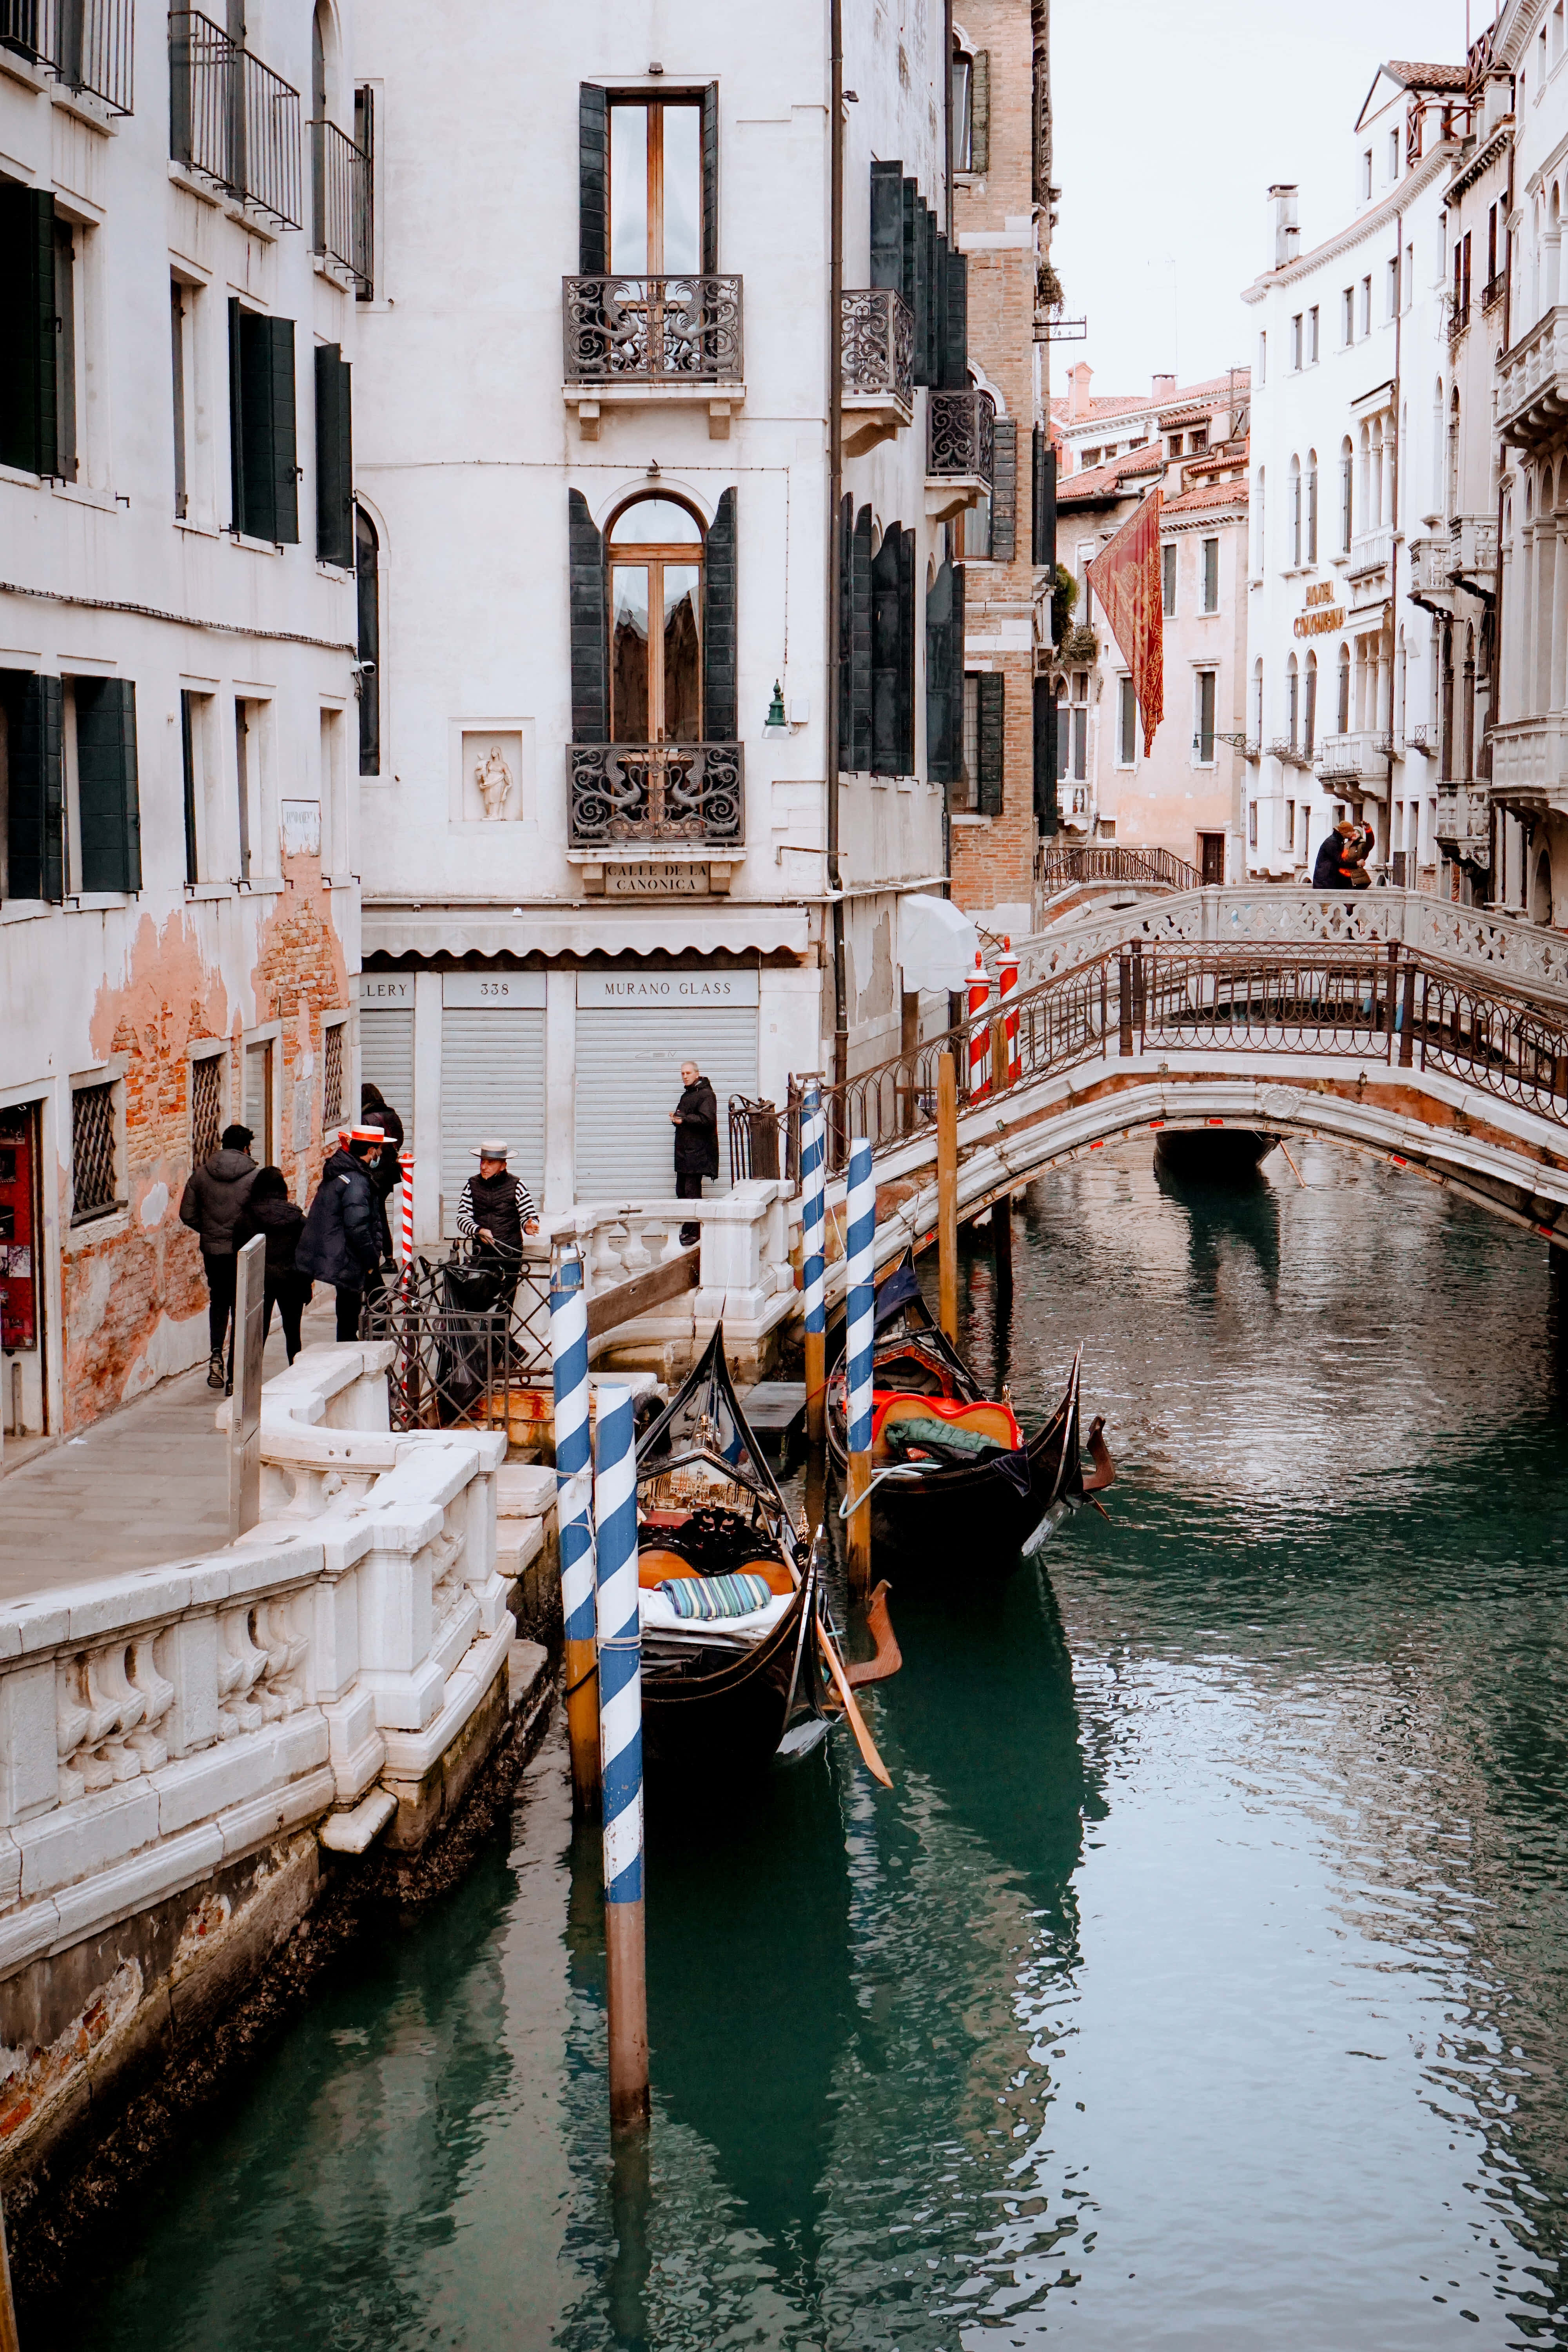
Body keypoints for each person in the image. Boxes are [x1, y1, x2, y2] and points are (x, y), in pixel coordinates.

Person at [179, 1122, 258, 1388]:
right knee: (240, 1306)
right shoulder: (254, 1177)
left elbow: (187, 1214)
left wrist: (210, 1231)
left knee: (219, 1301)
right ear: (246, 1148)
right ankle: (235, 1374)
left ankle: (216, 1354)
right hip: (242, 1252)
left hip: (213, 1251)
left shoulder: (201, 1175)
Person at [296, 1125, 392, 1342]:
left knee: (351, 1309)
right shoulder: (356, 1181)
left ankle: (354, 1348)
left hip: (347, 1255)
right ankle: (367, 1353)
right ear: (371, 1151)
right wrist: (370, 1259)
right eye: (379, 1149)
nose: (381, 1154)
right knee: (374, 1306)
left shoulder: (343, 1173)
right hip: (353, 1256)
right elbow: (357, 1225)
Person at [233, 1167, 311, 1363]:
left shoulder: (246, 1218)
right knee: (293, 1334)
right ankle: (296, 1372)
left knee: (256, 1336)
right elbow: (309, 1253)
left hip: (259, 1281)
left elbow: (238, 1251)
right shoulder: (297, 1219)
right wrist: (307, 1283)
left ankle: (246, 1376)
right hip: (292, 1280)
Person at [455, 1140, 539, 1293]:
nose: (484, 1167)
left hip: (510, 1252)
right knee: (479, 1295)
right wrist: (479, 1231)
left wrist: (528, 1224)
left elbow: (529, 1214)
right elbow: (462, 1218)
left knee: (507, 1298)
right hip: (482, 1252)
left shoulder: (517, 1185)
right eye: (483, 1161)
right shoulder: (472, 1185)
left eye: (490, 1163)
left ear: (503, 1166)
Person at [670, 1060, 718, 1247]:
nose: (685, 1076)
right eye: (683, 1073)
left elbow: (708, 1120)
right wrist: (676, 1119)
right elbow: (684, 1117)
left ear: (697, 1074)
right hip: (684, 1153)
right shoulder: (687, 1094)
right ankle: (688, 1228)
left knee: (692, 1193)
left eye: (688, 1073)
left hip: (696, 1154)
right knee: (682, 1191)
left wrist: (684, 1120)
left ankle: (695, 1231)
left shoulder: (706, 1094)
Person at [361, 1082, 404, 1209]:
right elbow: (399, 1140)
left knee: (373, 1209)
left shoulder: (365, 1118)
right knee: (380, 1207)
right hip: (391, 1170)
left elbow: (364, 1145)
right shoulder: (393, 1115)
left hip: (374, 1171)